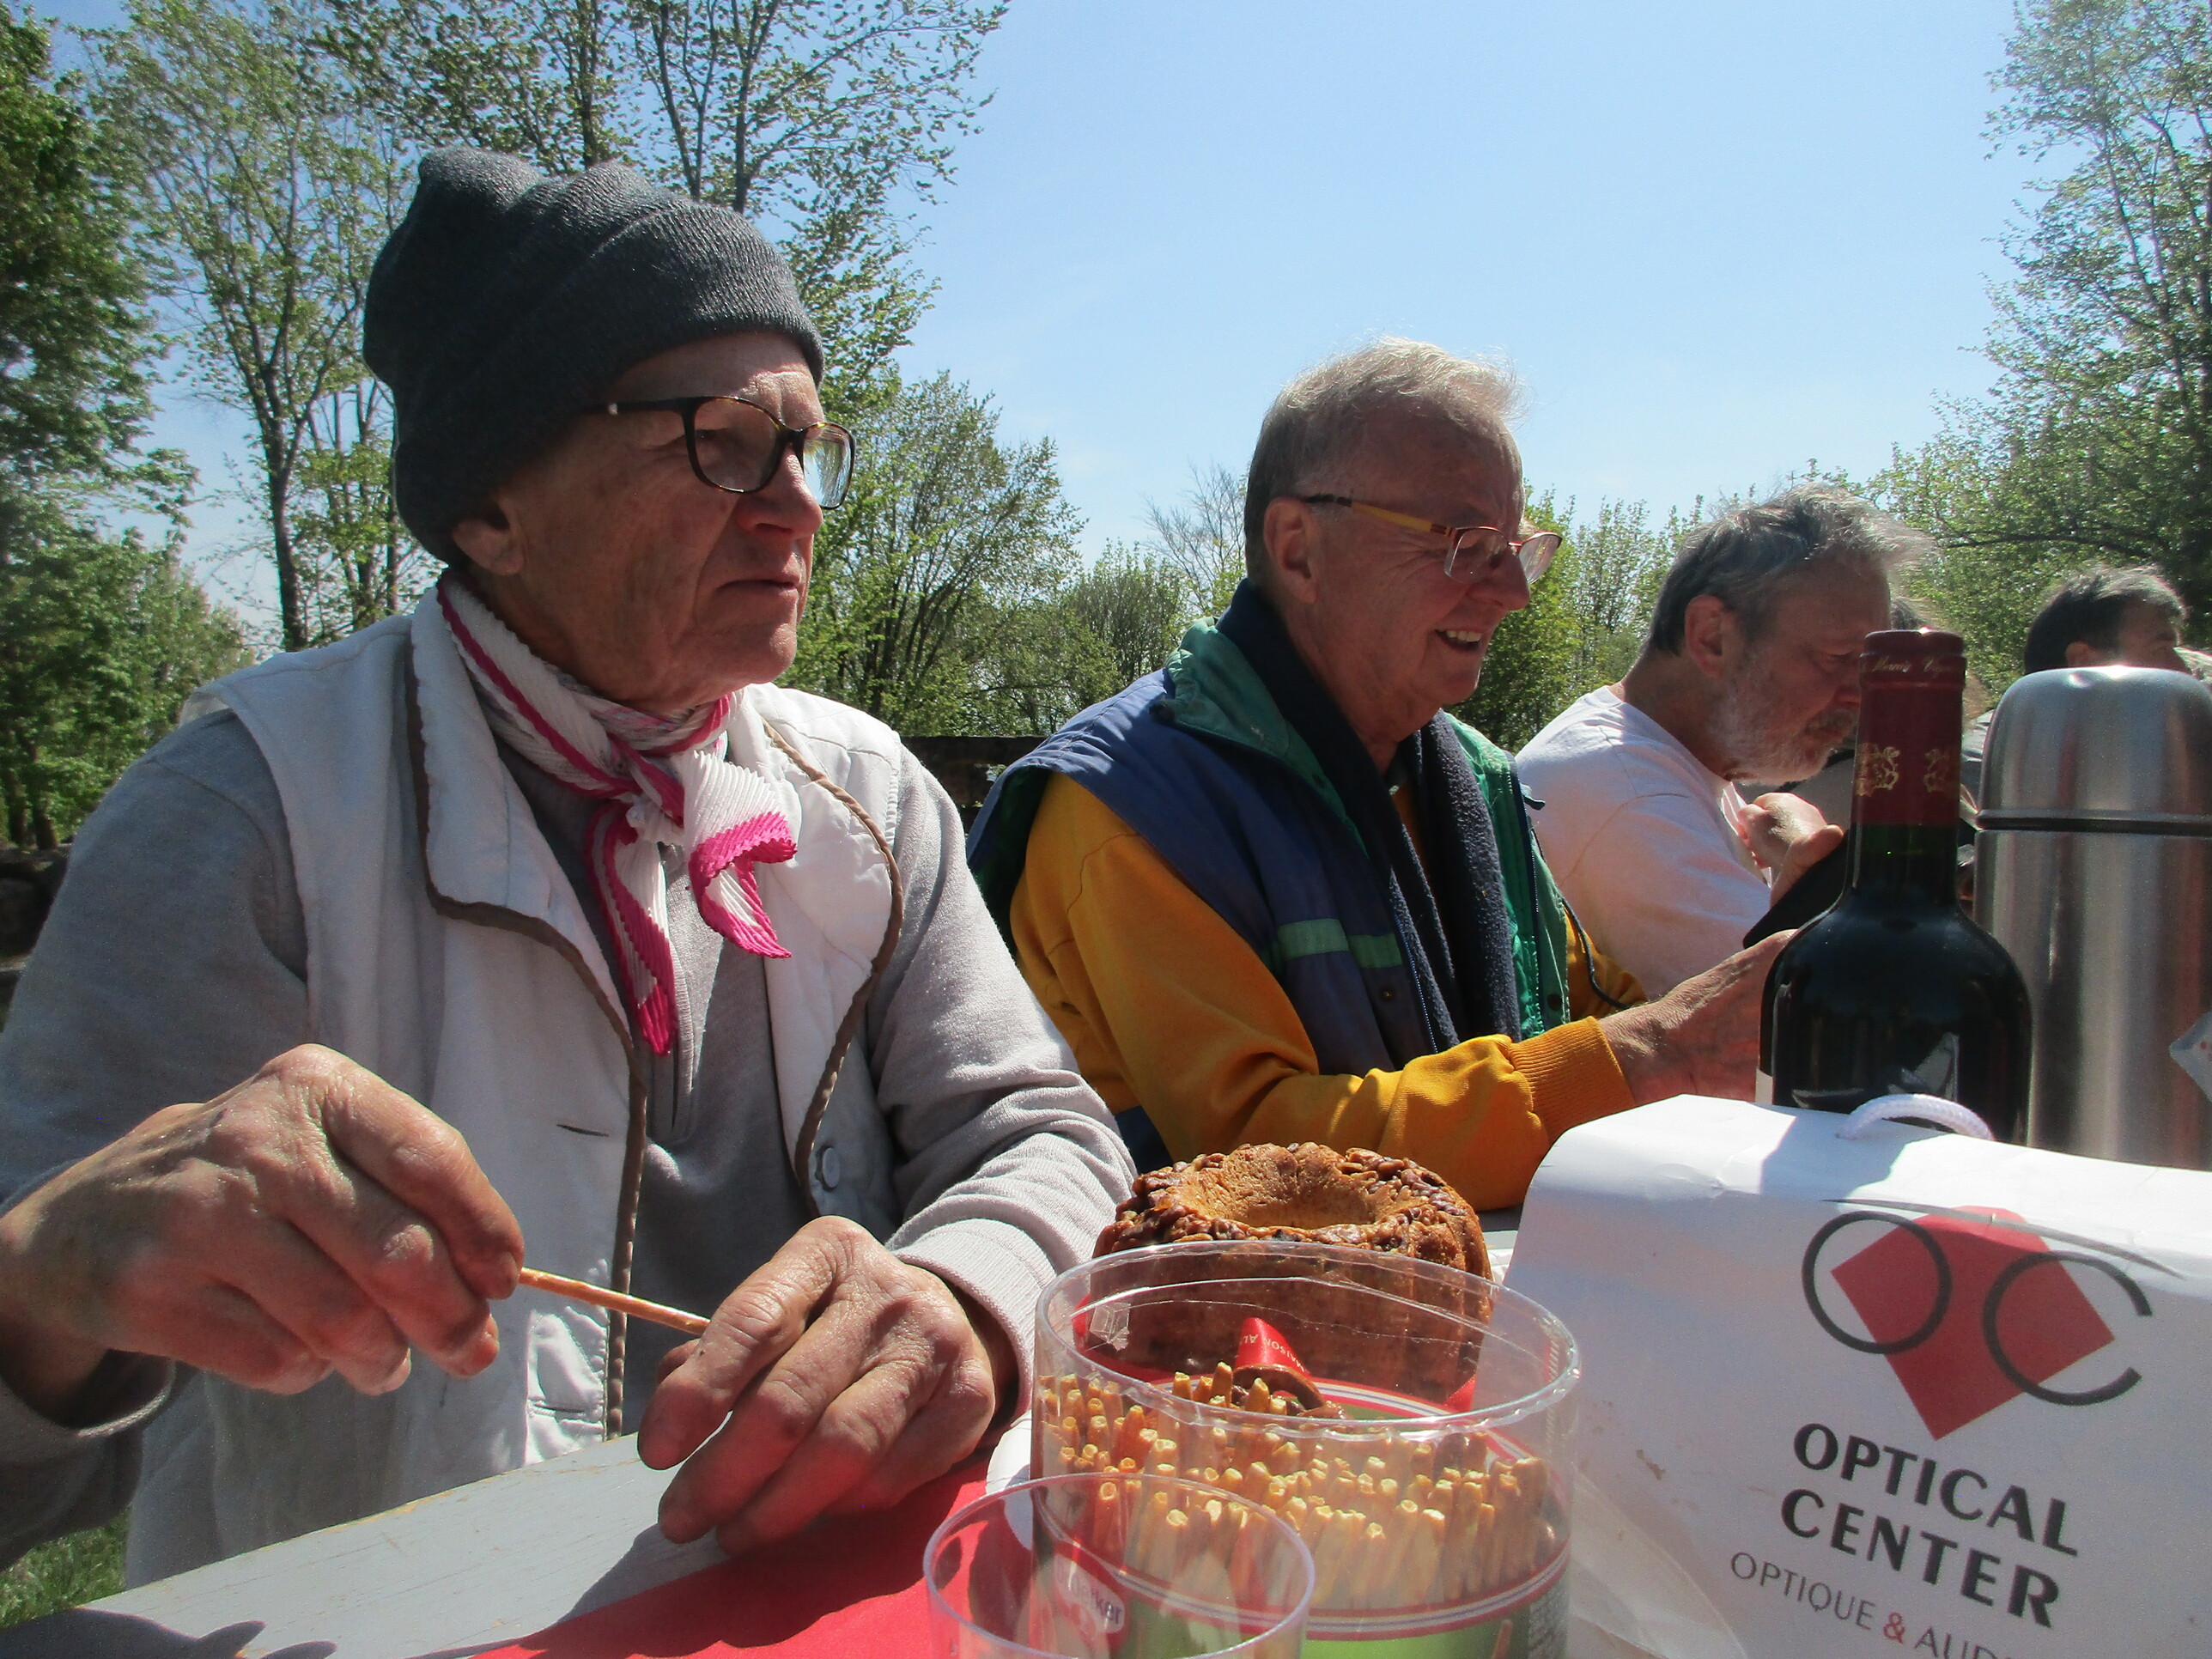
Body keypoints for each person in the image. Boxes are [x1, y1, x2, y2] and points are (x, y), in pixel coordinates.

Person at [0, 149, 1130, 1583]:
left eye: (807, 444)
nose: (797, 504)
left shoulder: (866, 797)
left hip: (805, 1600)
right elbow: (37, 1457)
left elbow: (1041, 1129)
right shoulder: (245, 812)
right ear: (491, 508)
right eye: (725, 441)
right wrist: (37, 1286)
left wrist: (964, 1295)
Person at [967, 339, 1782, 1209]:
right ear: (1297, 549)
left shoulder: (1475, 780)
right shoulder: (1127, 803)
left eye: (1516, 548)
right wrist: (1648, 1057)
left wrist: (1782, 943)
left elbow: (1581, 1011)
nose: (1513, 592)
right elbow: (1250, 1159)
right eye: (1465, 544)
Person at [1516, 488, 1918, 996]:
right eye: (1837, 657)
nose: (1861, 694)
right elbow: (1828, 1013)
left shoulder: (1659, 760)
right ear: (1712, 637)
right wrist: (1819, 863)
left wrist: (1791, 850)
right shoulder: (1629, 795)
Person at [1963, 566, 2192, 801]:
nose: (2184, 671)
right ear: (2084, 662)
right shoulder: (1988, 766)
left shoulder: (2150, 757)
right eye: (2161, 649)